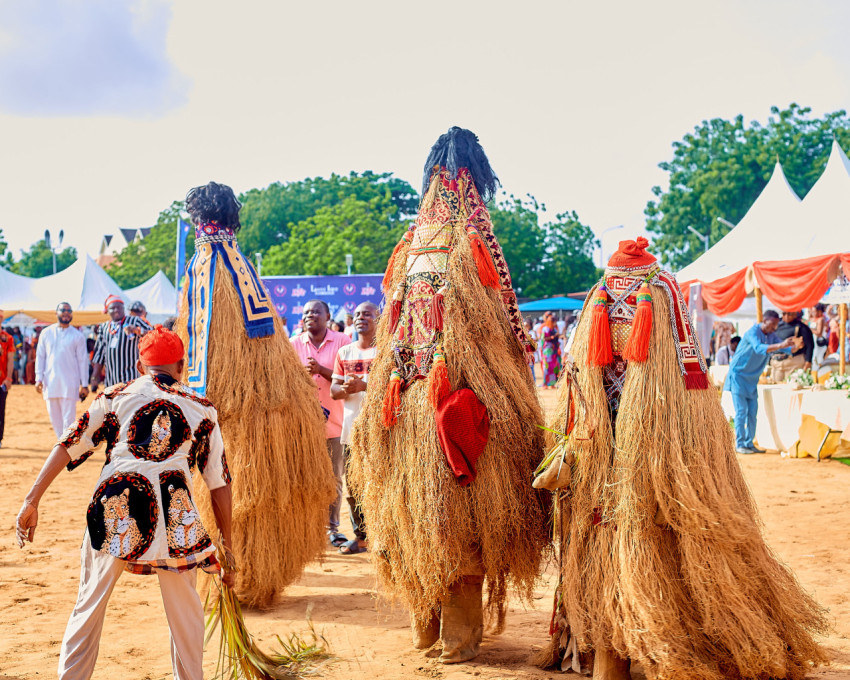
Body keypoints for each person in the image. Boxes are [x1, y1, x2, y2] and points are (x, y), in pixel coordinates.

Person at [538, 238, 826, 680]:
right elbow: (686, 367)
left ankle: (604, 656)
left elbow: (579, 374)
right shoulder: (662, 288)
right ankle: (644, 645)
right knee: (655, 538)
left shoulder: (600, 291)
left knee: (599, 538)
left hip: (598, 439)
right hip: (653, 443)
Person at [348, 127, 549, 664]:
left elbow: (394, 328)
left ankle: (426, 630)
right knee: (462, 523)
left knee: (415, 515)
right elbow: (503, 327)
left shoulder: (412, 243)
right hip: (455, 406)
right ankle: (457, 637)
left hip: (405, 403)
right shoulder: (474, 240)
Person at [15, 326, 235, 678]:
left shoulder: (114, 396)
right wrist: (228, 547)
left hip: (114, 510)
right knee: (187, 616)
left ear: (139, 365)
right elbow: (218, 483)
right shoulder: (202, 409)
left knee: (89, 606)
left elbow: (69, 443)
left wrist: (32, 500)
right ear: (182, 367)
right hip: (176, 521)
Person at [175, 181, 333, 608]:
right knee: (266, 495)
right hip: (276, 400)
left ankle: (242, 577)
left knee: (234, 492)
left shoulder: (204, 270)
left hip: (233, 410)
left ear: (197, 221)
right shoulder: (244, 269)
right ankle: (260, 578)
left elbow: (198, 345)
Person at [291, 299, 352, 547]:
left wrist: (322, 370)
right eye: (306, 312)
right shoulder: (293, 345)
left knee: (334, 478)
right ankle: (307, 531)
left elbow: (350, 379)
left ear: (327, 316)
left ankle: (332, 528)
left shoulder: (343, 343)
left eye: (316, 311)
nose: (310, 315)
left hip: (335, 423)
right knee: (303, 477)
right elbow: (284, 381)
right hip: (302, 427)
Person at [330, 302, 378, 555]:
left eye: (367, 314)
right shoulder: (345, 352)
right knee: (355, 487)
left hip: (380, 432)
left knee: (381, 484)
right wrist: (346, 389)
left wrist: (364, 386)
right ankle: (361, 537)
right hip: (350, 433)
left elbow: (397, 389)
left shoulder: (385, 352)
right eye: (357, 314)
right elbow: (334, 391)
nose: (361, 318)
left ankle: (386, 539)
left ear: (378, 320)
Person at [725, 310, 794, 454]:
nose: (775, 327)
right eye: (773, 324)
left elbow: (785, 348)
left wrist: (794, 347)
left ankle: (749, 443)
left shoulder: (771, 336)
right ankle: (740, 444)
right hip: (739, 375)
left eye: (776, 324)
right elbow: (759, 347)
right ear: (765, 320)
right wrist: (782, 346)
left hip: (752, 379)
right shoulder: (752, 332)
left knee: (753, 412)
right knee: (741, 411)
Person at [35, 303, 90, 437]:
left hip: (70, 383)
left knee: (68, 421)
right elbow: (40, 357)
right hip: (50, 382)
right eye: (63, 310)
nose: (66, 313)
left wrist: (84, 384)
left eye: (69, 311)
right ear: (56, 313)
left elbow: (83, 361)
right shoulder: (46, 333)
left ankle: (65, 449)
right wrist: (38, 379)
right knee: (55, 421)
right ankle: (62, 448)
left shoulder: (78, 336)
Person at [90, 296, 152, 391]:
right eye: (112, 308)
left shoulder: (134, 321)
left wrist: (138, 330)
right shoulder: (104, 327)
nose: (116, 310)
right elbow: (99, 355)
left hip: (131, 380)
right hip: (111, 382)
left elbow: (153, 334)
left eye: (119, 307)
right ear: (107, 311)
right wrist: (94, 377)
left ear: (123, 309)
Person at [770, 310, 814, 381]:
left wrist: (807, 363)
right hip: (777, 363)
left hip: (794, 362)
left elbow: (810, 346)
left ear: (795, 314)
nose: (786, 316)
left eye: (789, 314)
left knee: (792, 388)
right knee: (776, 388)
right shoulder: (777, 325)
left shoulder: (801, 327)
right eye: (784, 314)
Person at [0, 312, 16, 448]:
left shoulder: (7, 338)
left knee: (0, 410)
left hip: (2, 381)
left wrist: (9, 378)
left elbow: (11, 359)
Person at [540, 311, 562, 387]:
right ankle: (545, 384)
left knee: (554, 367)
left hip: (554, 351)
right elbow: (543, 338)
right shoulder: (545, 329)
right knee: (547, 367)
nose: (555, 324)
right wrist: (552, 337)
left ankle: (552, 384)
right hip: (548, 351)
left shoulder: (554, 329)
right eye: (554, 322)